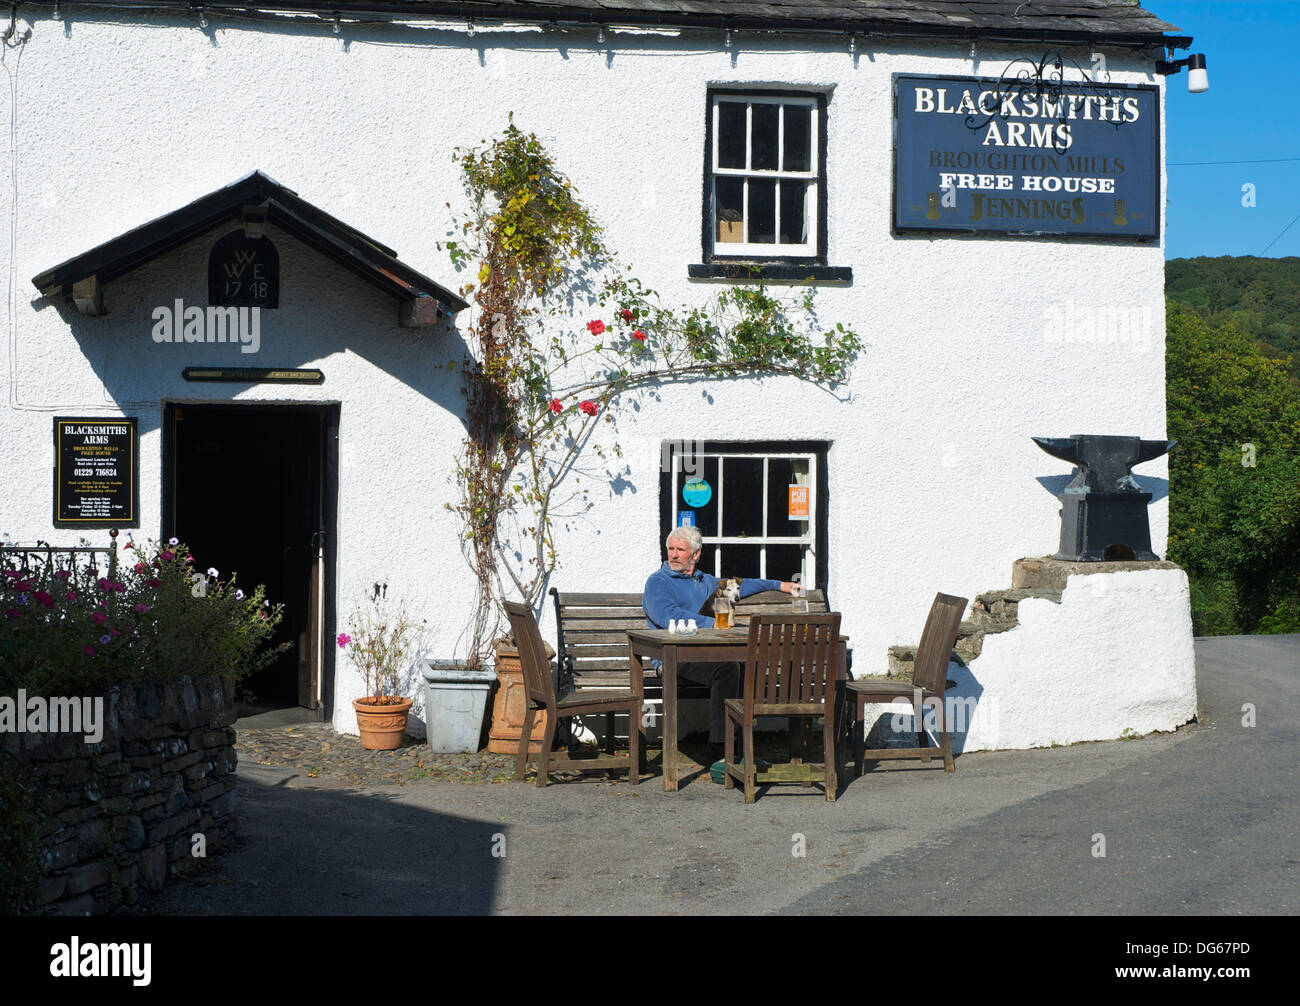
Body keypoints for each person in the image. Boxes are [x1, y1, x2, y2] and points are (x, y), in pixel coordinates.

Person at [643, 524, 799, 760]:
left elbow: (741, 585)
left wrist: (779, 585)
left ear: (695, 554)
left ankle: (741, 743)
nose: (673, 554)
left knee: (746, 662)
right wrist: (712, 624)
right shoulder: (658, 582)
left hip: (706, 657)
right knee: (727, 669)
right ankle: (720, 746)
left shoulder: (704, 581)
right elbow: (666, 615)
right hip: (672, 659)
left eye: (680, 550)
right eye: (671, 548)